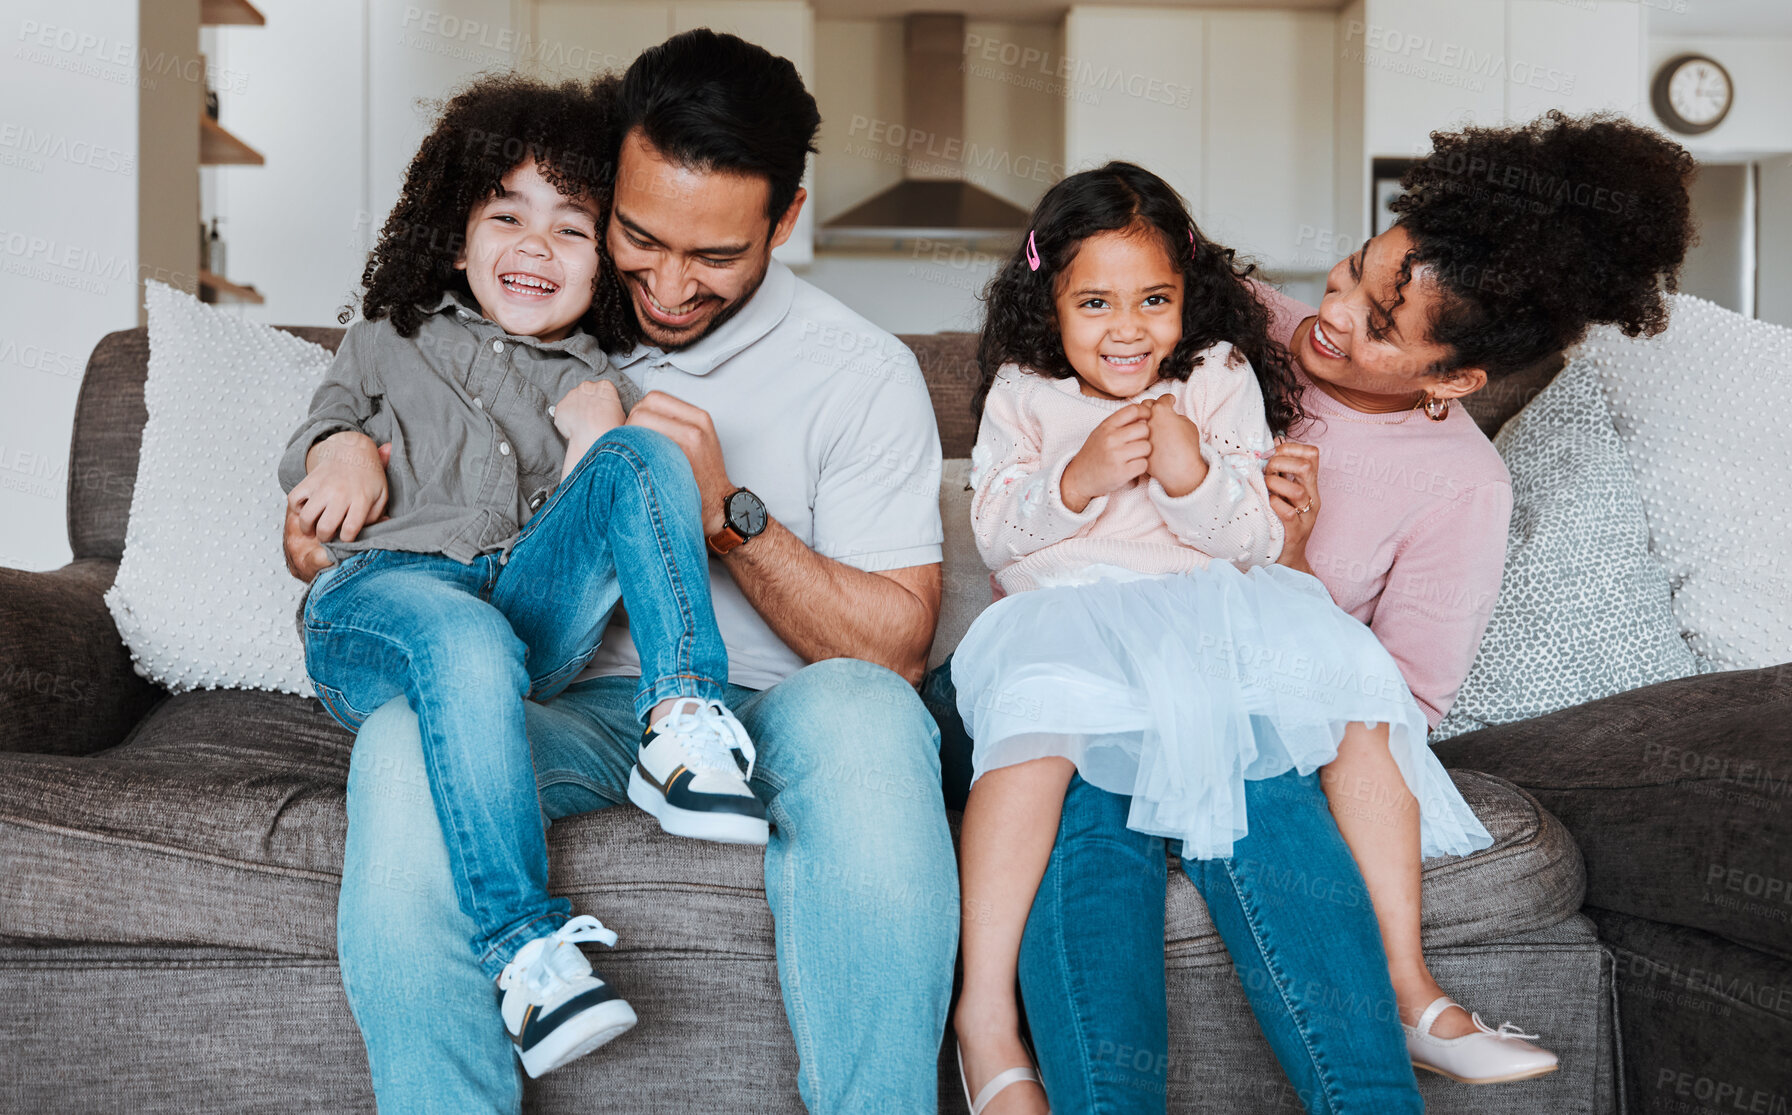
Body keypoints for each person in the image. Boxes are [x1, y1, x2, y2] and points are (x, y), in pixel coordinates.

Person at [929, 110, 1697, 1113]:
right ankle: (997, 1037)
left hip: (1248, 678)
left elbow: (1389, 693)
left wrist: (1279, 556)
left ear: (1453, 379)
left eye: (1383, 325)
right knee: (1089, 816)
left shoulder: (1453, 482)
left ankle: (1395, 1026)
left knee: (1275, 808)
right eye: (1350, 272)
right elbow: (1098, 279)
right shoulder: (1228, 322)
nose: (1333, 316)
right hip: (1074, 662)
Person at [284, 31, 954, 1113]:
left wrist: (731, 517)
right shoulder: (536, 306)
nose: (670, 284)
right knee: (409, 739)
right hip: (565, 696)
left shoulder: (862, 373)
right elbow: (380, 492)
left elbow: (897, 647)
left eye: (716, 256)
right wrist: (330, 514)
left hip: (779, 705)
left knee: (875, 719)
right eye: (638, 237)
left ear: (783, 221)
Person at [948, 163, 1509, 1115]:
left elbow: (1249, 536)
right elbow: (998, 530)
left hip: (1207, 618)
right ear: (1050, 298)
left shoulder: (1217, 372)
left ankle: (1407, 988)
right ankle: (985, 1012)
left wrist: (1190, 472)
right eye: (1095, 303)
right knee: (1033, 744)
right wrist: (1077, 478)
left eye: (1155, 302)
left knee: (1356, 696)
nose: (1128, 328)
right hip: (1071, 626)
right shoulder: (1025, 389)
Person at [281, 74, 774, 1080]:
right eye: (506, 216)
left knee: (646, 456)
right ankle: (526, 951)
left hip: (519, 624)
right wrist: (333, 452)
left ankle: (681, 720)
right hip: (380, 602)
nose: (535, 246)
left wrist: (601, 447)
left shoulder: (599, 378)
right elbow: (319, 434)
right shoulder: (386, 340)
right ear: (455, 238)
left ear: (607, 266)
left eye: (571, 229)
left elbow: (612, 525)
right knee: (460, 639)